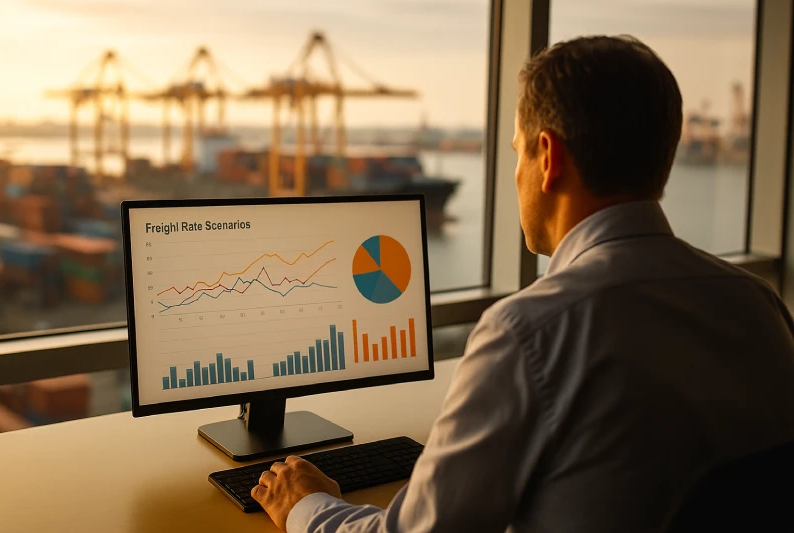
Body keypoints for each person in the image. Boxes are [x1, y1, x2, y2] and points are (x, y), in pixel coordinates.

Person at [250, 35, 794, 532]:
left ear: (549, 158)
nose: (515, 174)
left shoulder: (529, 332)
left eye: (516, 151)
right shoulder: (760, 306)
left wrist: (308, 503)